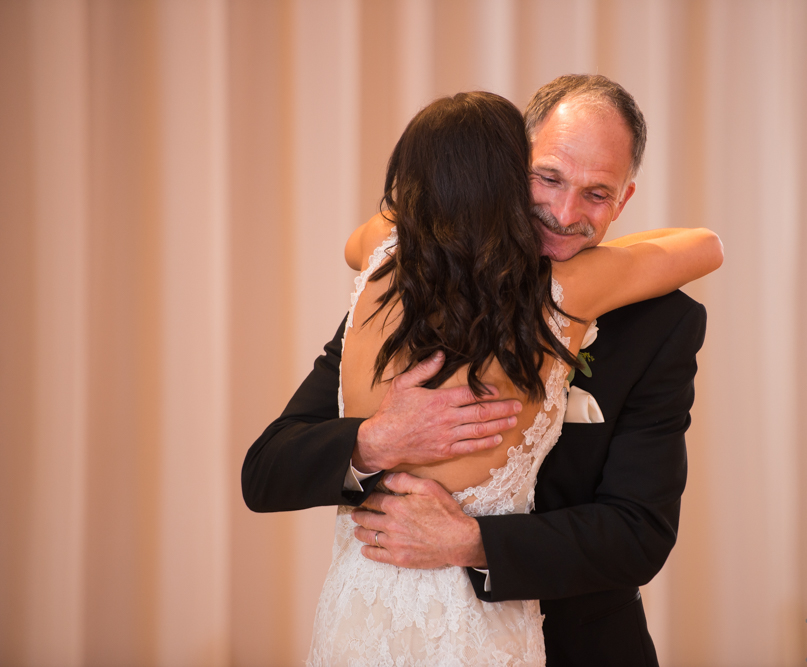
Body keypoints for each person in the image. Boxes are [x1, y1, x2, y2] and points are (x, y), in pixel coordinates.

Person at [243, 75, 722, 666]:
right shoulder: (405, 291)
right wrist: (376, 439)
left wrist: (474, 543)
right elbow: (267, 471)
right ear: (507, 170)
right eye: (547, 178)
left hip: (582, 647)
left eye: (596, 194)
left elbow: (638, 532)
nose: (565, 213)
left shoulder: (659, 322)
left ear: (624, 200)